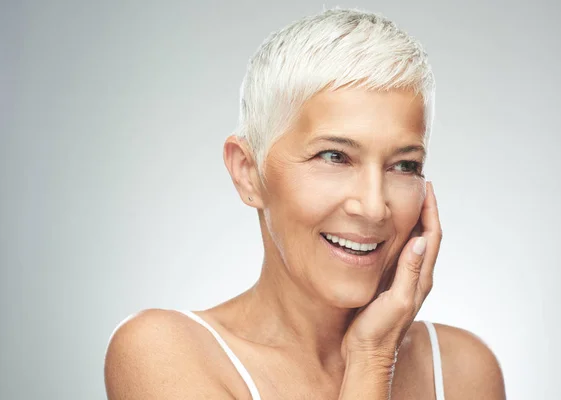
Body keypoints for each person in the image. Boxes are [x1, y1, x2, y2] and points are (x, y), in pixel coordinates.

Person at [104, 8, 506, 399]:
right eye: (334, 156)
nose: (372, 207)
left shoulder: (463, 371)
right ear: (248, 171)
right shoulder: (163, 352)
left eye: (404, 165)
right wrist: (372, 358)